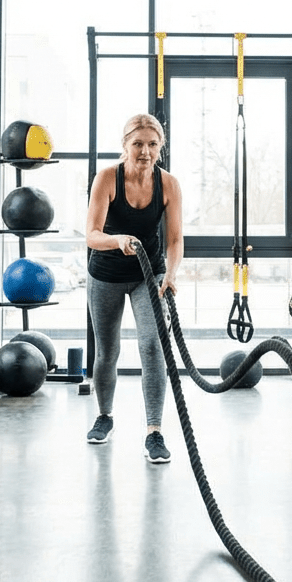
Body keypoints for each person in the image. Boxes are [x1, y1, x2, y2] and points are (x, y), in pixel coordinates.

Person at [85, 113, 183, 463]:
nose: (145, 151)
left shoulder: (168, 184)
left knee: (152, 346)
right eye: (138, 144)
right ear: (125, 146)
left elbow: (174, 239)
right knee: (108, 350)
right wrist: (118, 240)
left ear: (160, 147)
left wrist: (171, 274)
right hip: (106, 274)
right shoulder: (107, 178)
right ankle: (104, 416)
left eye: (152, 144)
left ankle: (154, 431)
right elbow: (92, 235)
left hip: (149, 275)